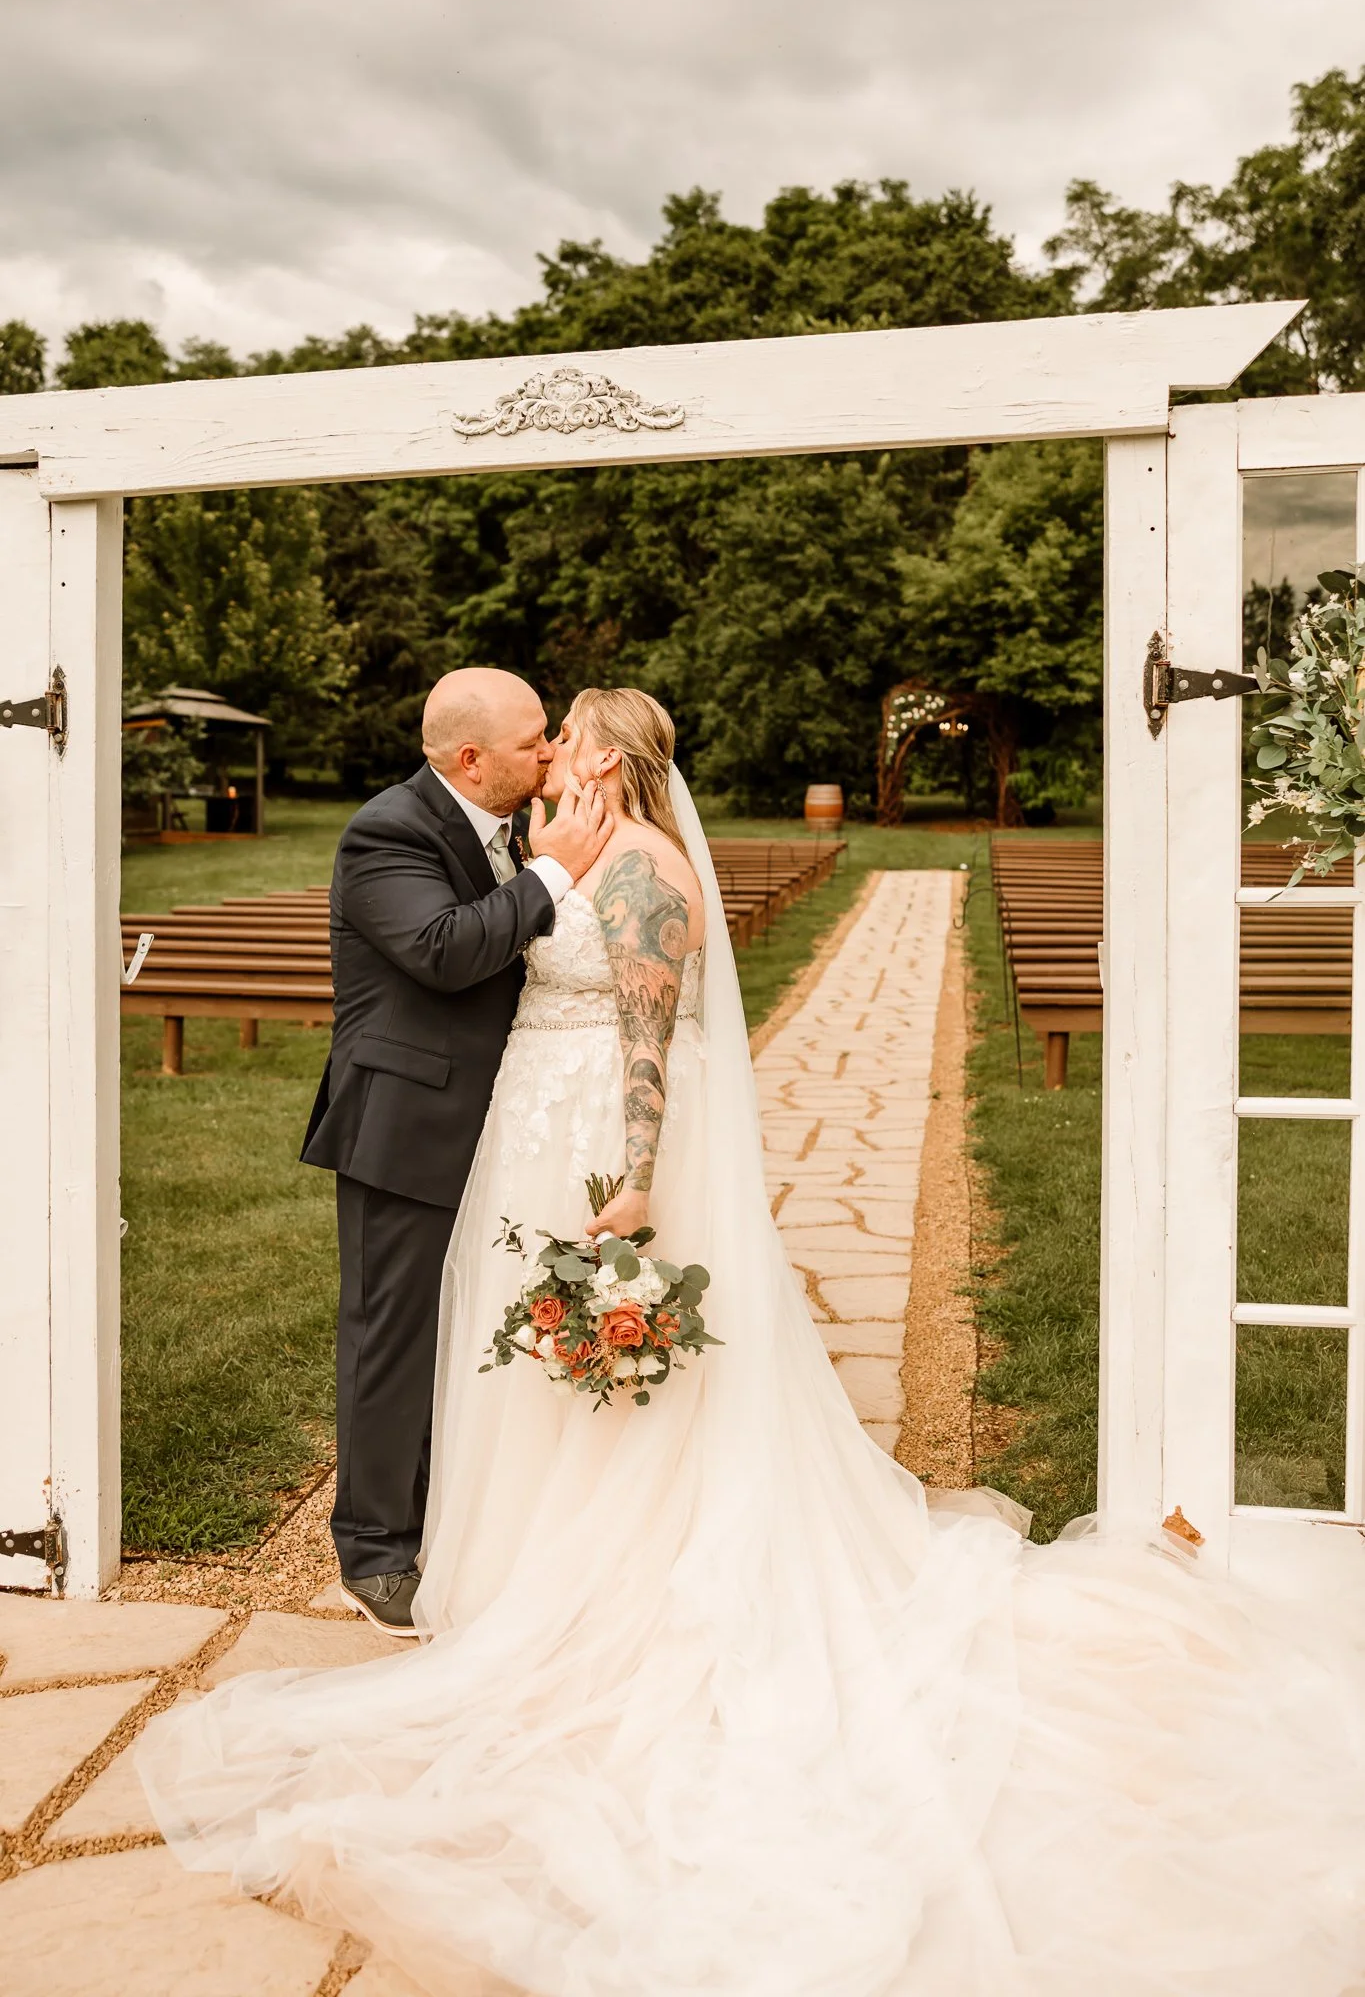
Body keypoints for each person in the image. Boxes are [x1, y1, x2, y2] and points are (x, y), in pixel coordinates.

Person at [141, 688, 1365, 1996]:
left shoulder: (651, 869)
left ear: (607, 757)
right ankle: (524, 1568)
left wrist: (633, 1179)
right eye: (540, 737)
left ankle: (613, 1583)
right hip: (521, 1132)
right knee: (533, 1379)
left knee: (614, 1386)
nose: (553, 753)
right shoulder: (560, 846)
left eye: (568, 738)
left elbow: (650, 1033)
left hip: (596, 1146)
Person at [299, 667, 610, 1633]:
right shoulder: (385, 830)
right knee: (395, 1335)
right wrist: (552, 874)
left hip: (508, 1120)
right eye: (532, 741)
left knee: (477, 1322)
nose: (550, 752)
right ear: (470, 759)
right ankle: (377, 1550)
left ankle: (457, 1510)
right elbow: (440, 950)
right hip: (407, 1123)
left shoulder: (509, 824)